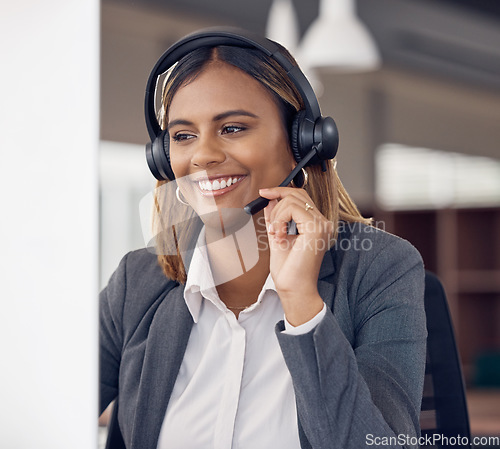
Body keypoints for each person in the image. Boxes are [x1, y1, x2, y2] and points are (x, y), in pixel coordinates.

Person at [100, 28, 427, 449]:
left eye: (233, 128)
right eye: (183, 136)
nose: (202, 155)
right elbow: (45, 403)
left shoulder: (380, 268)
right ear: (163, 157)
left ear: (302, 142)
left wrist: (302, 307)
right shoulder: (136, 281)